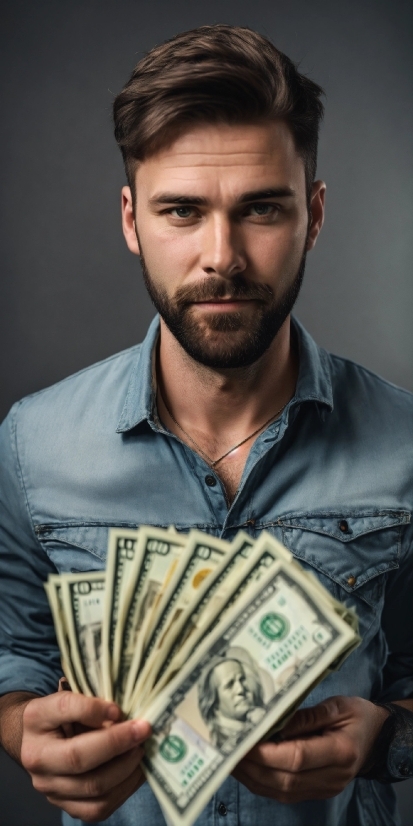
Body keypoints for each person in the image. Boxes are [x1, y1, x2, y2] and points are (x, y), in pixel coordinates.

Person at [0, 22, 412, 826]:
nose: (221, 255)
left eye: (259, 208)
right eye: (181, 211)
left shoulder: (406, 443)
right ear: (130, 221)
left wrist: (383, 742)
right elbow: (12, 654)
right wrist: (21, 731)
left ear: (314, 216)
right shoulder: (30, 444)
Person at [198, 651, 266, 753]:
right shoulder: (222, 746)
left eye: (242, 679)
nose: (240, 689)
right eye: (229, 685)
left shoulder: (256, 716)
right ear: (214, 702)